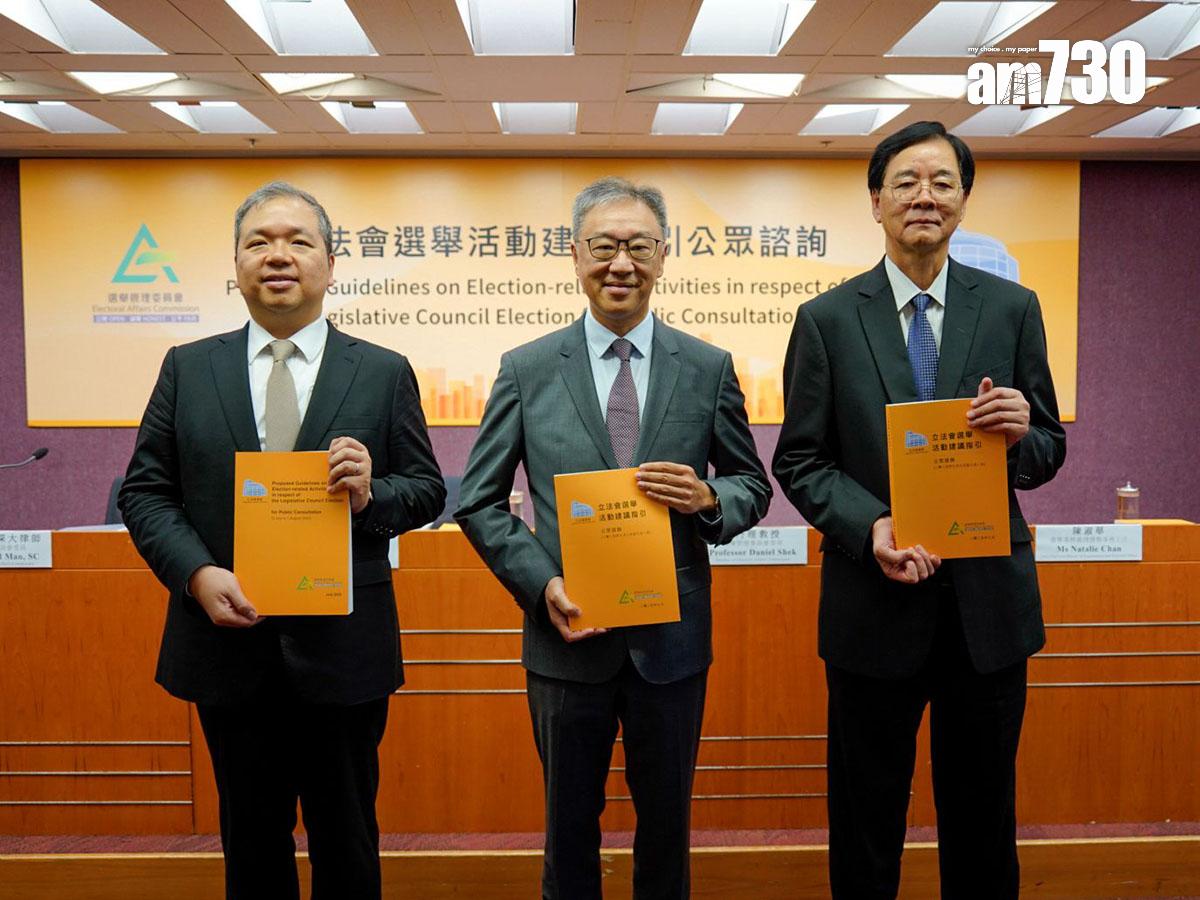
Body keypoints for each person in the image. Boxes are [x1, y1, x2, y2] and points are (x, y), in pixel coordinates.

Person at [119, 181, 445, 900]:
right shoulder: (188, 367)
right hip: (227, 643)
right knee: (251, 839)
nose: (278, 256)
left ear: (330, 264)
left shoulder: (382, 369)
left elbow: (426, 488)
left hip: (344, 647)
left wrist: (372, 494)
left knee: (347, 836)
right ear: (235, 264)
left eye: (299, 241)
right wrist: (197, 573)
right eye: (259, 242)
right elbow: (144, 492)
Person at [771, 121, 1066, 899]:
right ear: (876, 201)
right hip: (872, 605)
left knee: (984, 823)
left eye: (942, 182)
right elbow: (799, 460)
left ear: (964, 200)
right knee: (866, 825)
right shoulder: (828, 320)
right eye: (905, 182)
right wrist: (870, 525)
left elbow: (1046, 451)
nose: (924, 197)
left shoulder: (1011, 308)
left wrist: (1022, 431)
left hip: (987, 613)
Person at [455, 176, 772, 900]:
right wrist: (543, 584)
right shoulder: (528, 368)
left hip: (673, 641)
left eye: (638, 246)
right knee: (568, 829)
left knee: (667, 828)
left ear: (664, 255)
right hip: (567, 638)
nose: (620, 263)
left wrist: (708, 497)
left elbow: (751, 485)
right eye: (603, 246)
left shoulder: (707, 367)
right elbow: (478, 501)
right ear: (575, 255)